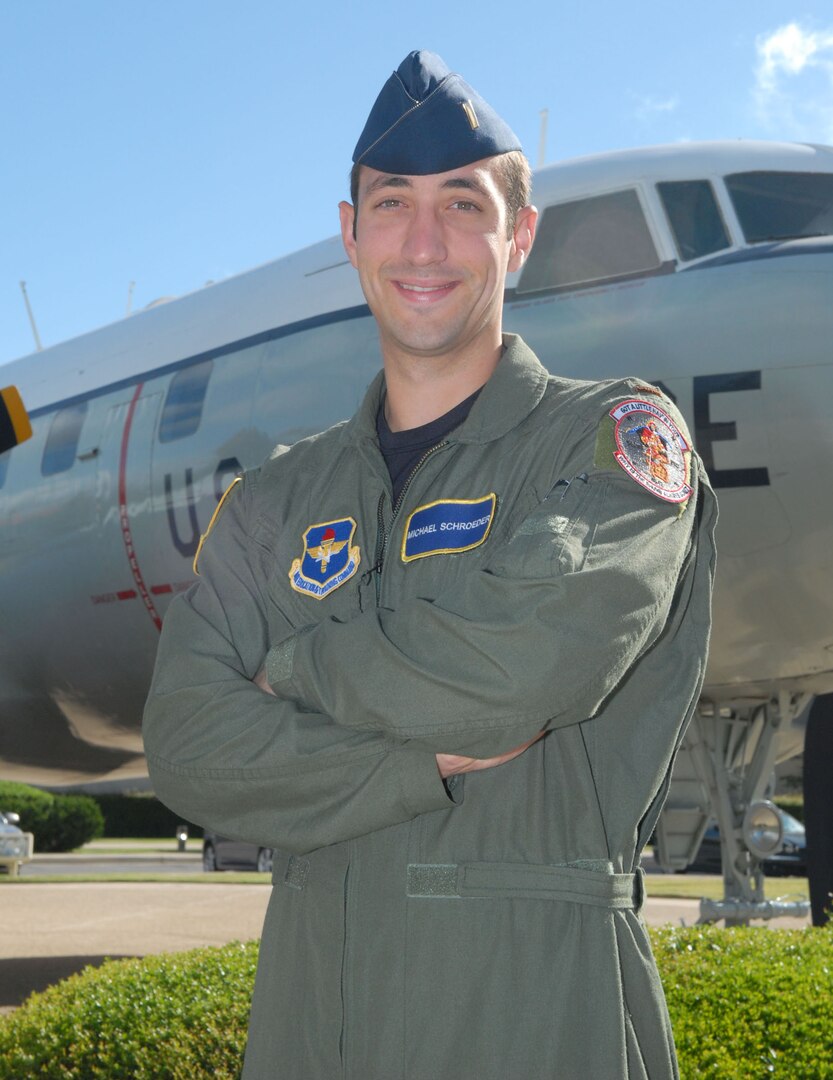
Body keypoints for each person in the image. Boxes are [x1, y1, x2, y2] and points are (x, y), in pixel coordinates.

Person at [143, 50, 717, 1080]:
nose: (422, 240)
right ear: (349, 233)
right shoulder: (273, 499)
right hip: (308, 1024)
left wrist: (294, 674)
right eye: (391, 204)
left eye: (461, 204)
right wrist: (418, 759)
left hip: (536, 1013)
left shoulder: (607, 439)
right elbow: (187, 749)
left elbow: (519, 676)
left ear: (519, 237)